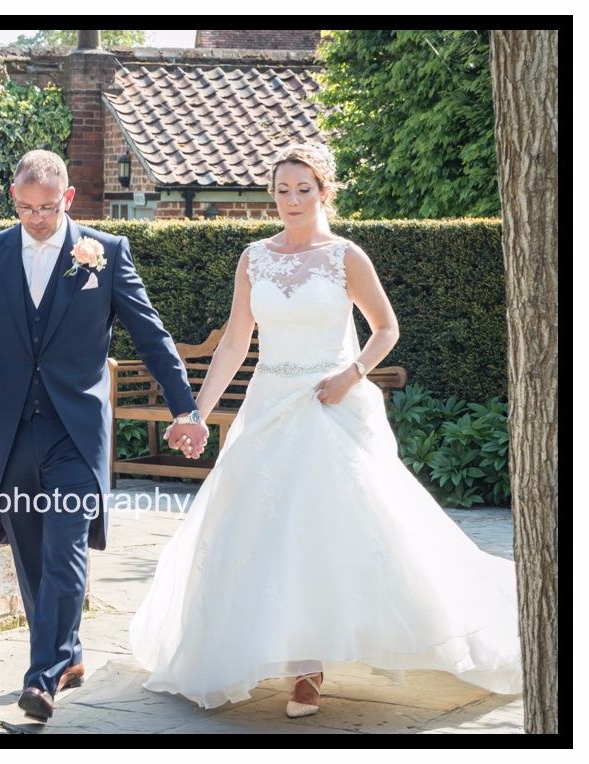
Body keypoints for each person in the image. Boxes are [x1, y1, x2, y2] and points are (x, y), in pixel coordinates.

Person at [130, 143, 523, 716]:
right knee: (264, 530)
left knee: (337, 526)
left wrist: (351, 374)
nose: (291, 200)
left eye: (303, 189)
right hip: (269, 407)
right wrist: (195, 414)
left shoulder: (346, 256)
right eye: (282, 190)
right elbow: (238, 342)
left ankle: (313, 669)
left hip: (329, 405)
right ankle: (298, 663)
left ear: (324, 192)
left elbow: (386, 328)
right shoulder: (252, 259)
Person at [0, 150, 209, 721]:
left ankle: (42, 677)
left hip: (77, 431)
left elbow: (151, 336)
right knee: (30, 554)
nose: (37, 218)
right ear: (14, 197)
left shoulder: (105, 253)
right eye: (27, 208)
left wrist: (186, 410)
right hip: (11, 430)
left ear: (69, 199)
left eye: (48, 208)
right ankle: (69, 652)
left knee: (65, 548)